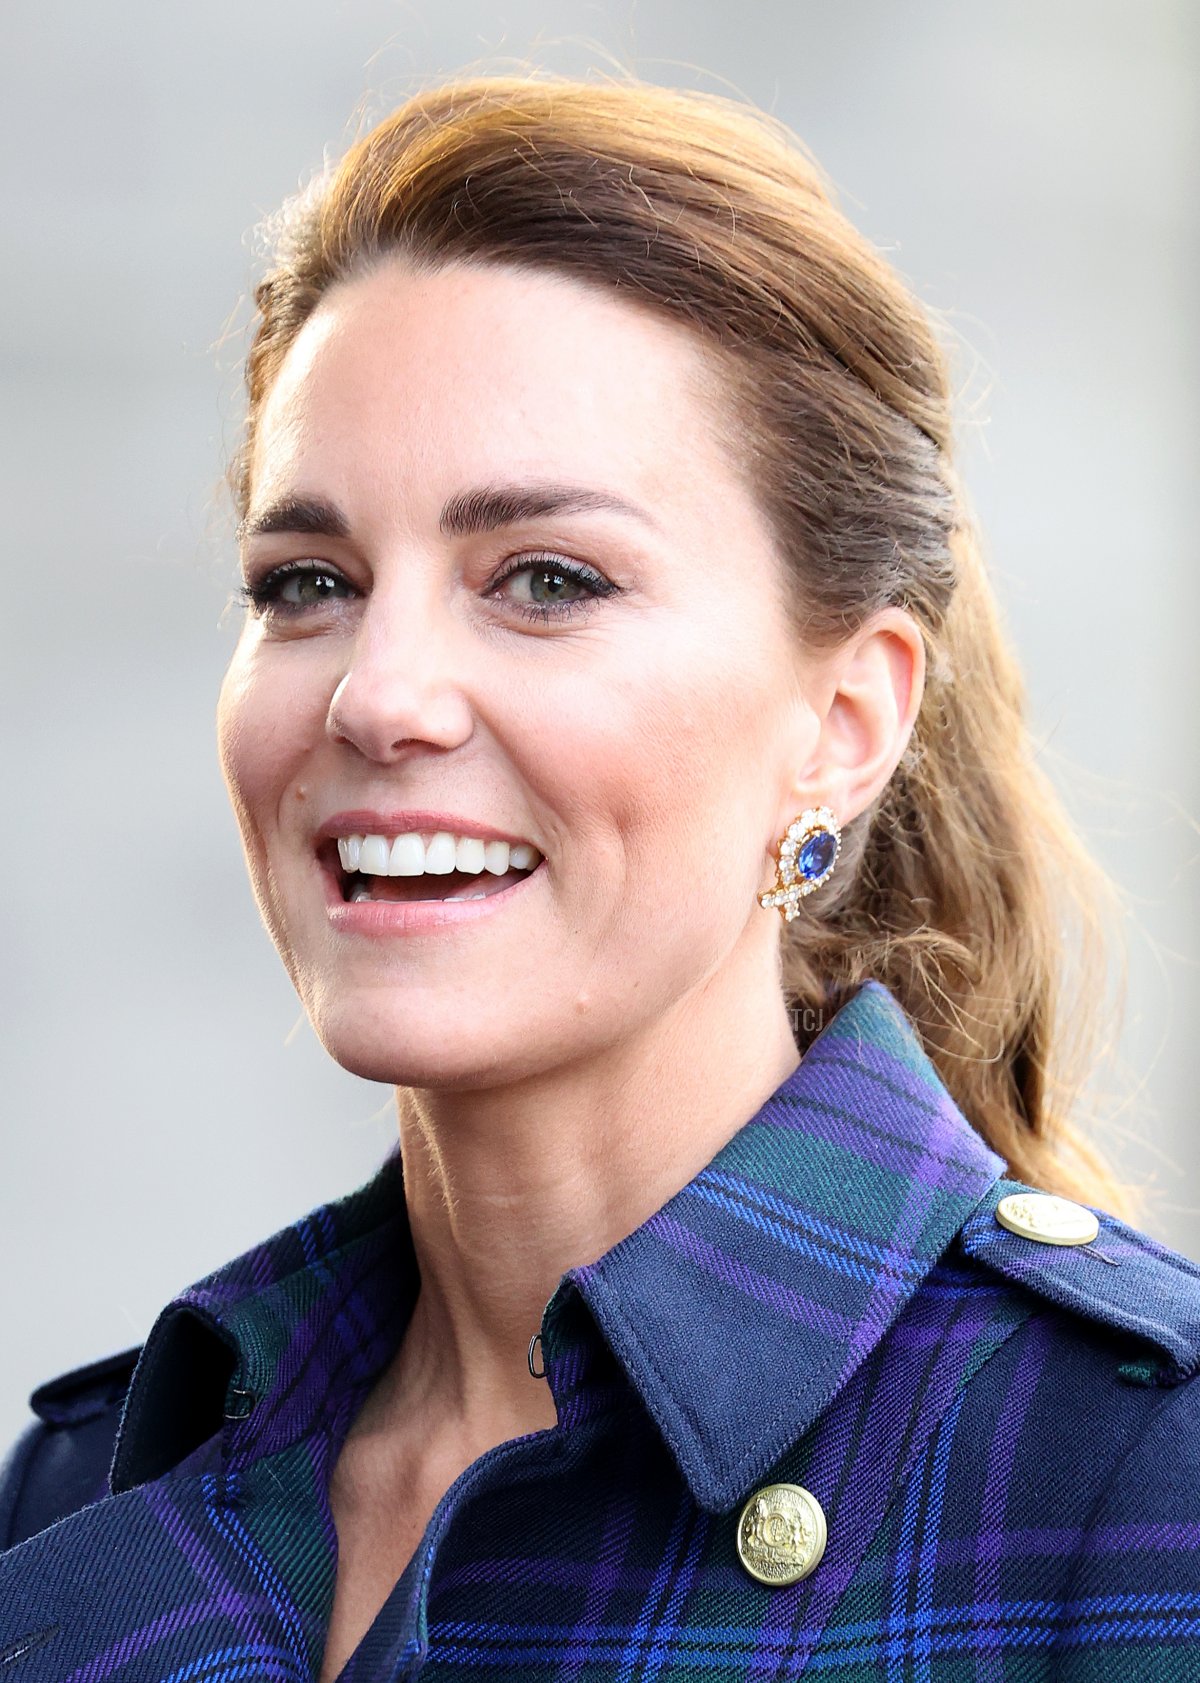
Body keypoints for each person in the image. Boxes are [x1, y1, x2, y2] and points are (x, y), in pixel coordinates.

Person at [2, 70, 1198, 1683]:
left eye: (545, 578)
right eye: (309, 583)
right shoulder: (89, 1497)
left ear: (845, 724)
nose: (376, 694)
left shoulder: (1132, 1486)